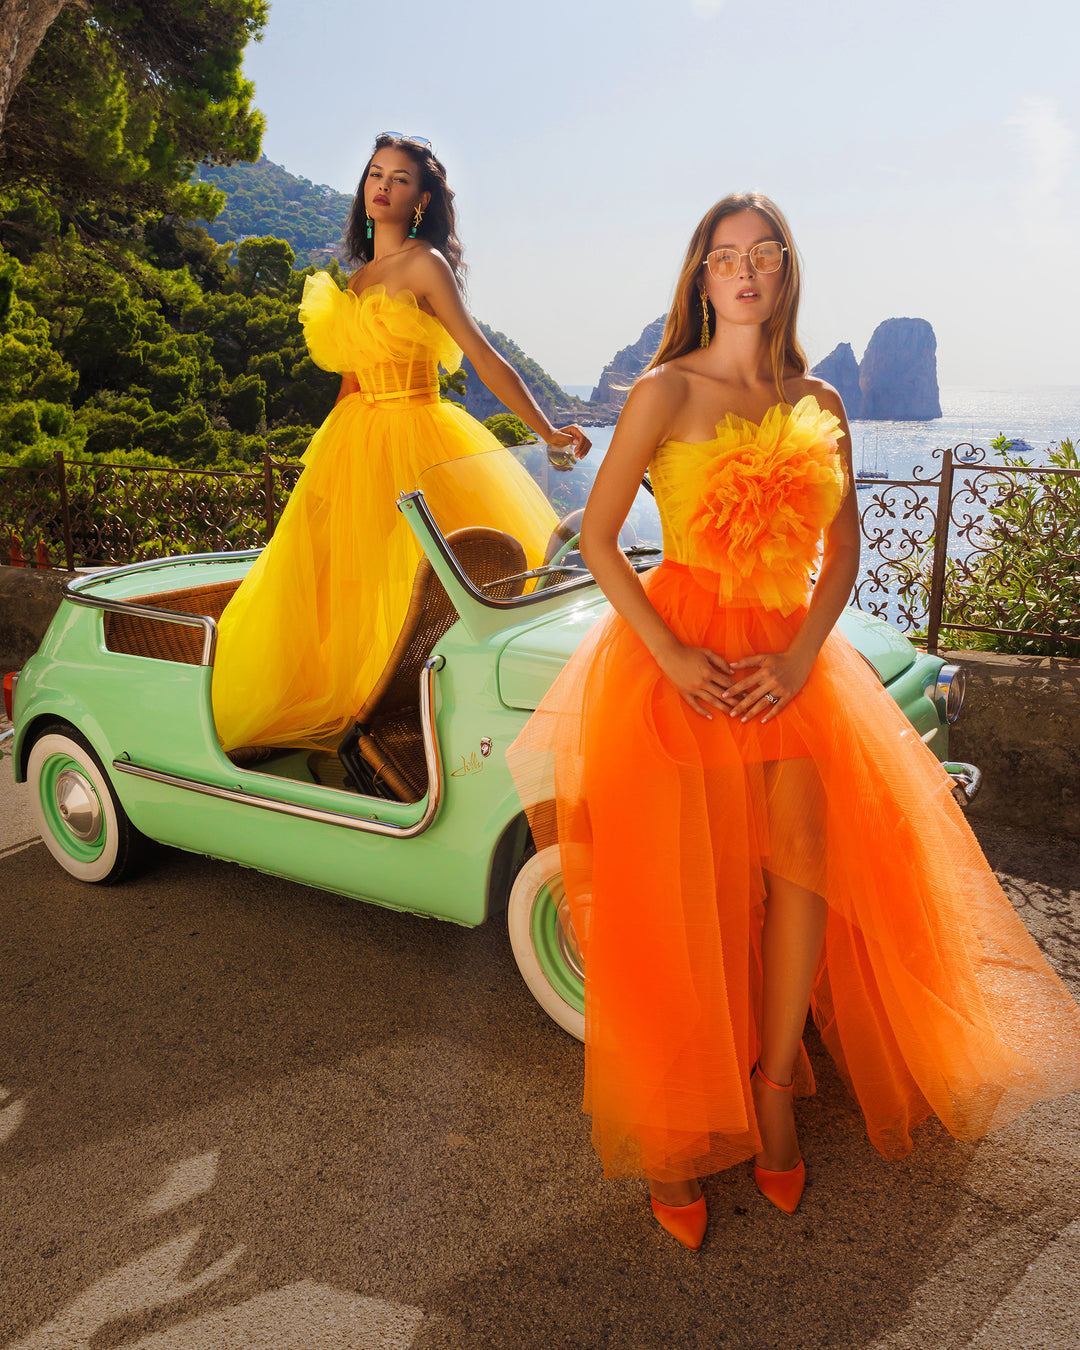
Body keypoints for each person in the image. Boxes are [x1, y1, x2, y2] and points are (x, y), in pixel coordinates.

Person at [507, 192, 1080, 1250]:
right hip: (676, 659)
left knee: (801, 866)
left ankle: (774, 1087)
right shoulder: (660, 391)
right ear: (700, 276)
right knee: (684, 885)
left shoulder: (820, 397)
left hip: (788, 661)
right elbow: (596, 538)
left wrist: (808, 648)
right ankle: (678, 1123)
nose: (746, 269)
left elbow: (846, 545)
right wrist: (673, 653)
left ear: (785, 274)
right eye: (726, 255)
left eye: (764, 253)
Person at [212, 133, 590, 753]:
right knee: (354, 583)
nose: (383, 185)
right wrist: (321, 468)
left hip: (420, 434)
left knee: (435, 580)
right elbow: (349, 385)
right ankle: (367, 711)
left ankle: (449, 714)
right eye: (375, 174)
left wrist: (545, 430)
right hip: (355, 442)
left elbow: (482, 356)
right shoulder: (355, 281)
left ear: (421, 199)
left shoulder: (424, 263)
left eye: (400, 178)